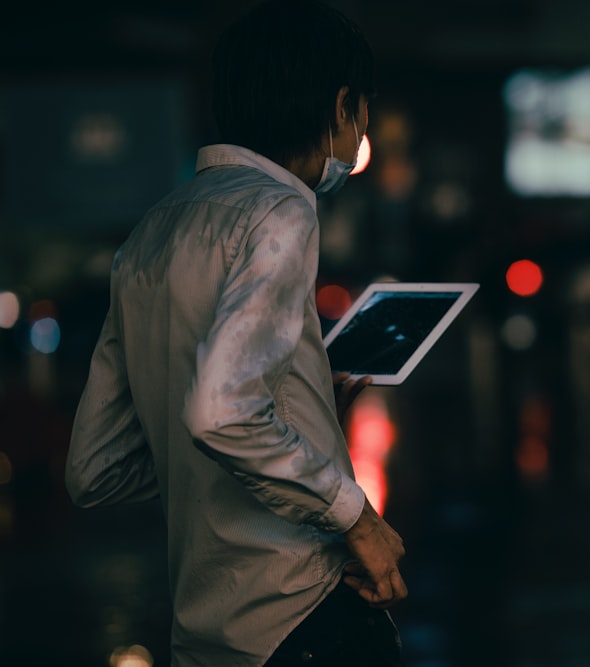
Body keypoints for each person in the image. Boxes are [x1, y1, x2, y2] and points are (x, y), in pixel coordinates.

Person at [64, 1, 407, 665]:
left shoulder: (153, 230)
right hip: (301, 617)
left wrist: (300, 426)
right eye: (361, 110)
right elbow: (221, 412)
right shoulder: (281, 210)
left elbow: (94, 467)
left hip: (205, 633)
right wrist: (356, 517)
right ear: (341, 108)